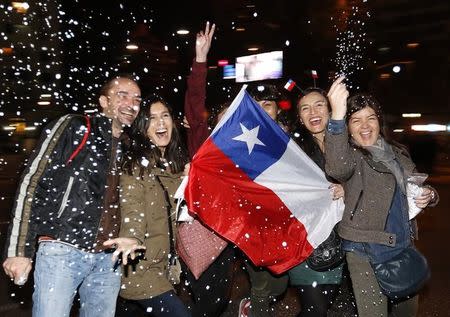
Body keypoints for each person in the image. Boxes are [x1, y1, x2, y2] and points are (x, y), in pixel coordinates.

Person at [2, 75, 142, 317]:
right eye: (122, 96)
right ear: (103, 101)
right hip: (62, 250)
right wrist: (18, 250)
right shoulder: (76, 126)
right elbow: (33, 181)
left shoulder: (130, 146)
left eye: (137, 99)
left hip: (108, 259)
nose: (131, 103)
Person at [324, 77, 439, 317]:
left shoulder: (397, 152)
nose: (364, 126)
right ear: (348, 126)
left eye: (370, 118)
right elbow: (337, 168)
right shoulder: (351, 155)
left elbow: (418, 183)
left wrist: (430, 195)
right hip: (363, 248)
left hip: (402, 244)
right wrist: (336, 116)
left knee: (406, 313)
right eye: (356, 120)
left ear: (379, 121)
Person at [104, 96, 190, 317]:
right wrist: (132, 237)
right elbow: (132, 206)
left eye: (165, 116)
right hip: (141, 267)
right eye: (152, 118)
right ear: (142, 127)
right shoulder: (135, 166)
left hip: (164, 266)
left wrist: (191, 179)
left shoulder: (174, 165)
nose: (160, 123)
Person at [180, 22, 237, 317]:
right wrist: (201, 59)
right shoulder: (204, 142)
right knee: (204, 301)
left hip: (227, 238)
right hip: (198, 232)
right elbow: (194, 103)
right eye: (224, 118)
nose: (229, 124)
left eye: (235, 119)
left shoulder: (245, 155)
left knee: (218, 301)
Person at [288, 87, 345, 317]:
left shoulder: (348, 142)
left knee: (321, 307)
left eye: (319, 104)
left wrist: (348, 188)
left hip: (342, 244)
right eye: (305, 108)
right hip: (306, 242)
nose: (313, 111)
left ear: (331, 109)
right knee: (316, 310)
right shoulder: (292, 151)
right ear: (300, 117)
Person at [237, 82, 290, 317]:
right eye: (255, 106)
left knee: (280, 284)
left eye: (267, 105)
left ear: (278, 109)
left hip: (283, 226)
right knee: (260, 285)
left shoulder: (291, 142)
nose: (260, 110)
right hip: (251, 226)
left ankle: (251, 304)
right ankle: (256, 307)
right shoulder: (239, 141)